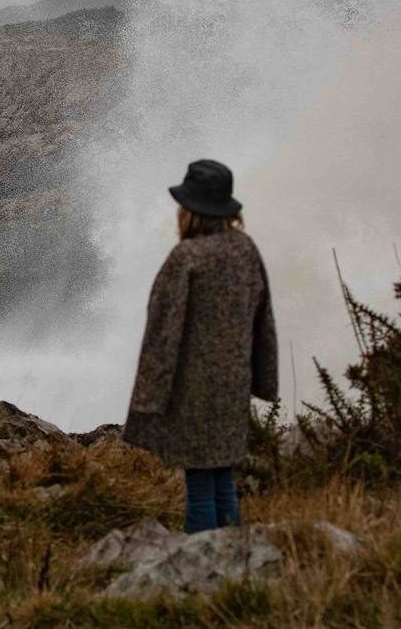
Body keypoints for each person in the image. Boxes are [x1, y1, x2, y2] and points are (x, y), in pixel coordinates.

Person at [122, 159, 278, 534]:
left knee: (199, 490)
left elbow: (163, 333)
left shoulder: (186, 258)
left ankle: (205, 568)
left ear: (190, 210)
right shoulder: (245, 249)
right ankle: (231, 561)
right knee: (224, 480)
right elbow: (264, 320)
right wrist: (263, 380)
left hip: (193, 392)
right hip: (233, 386)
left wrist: (147, 402)